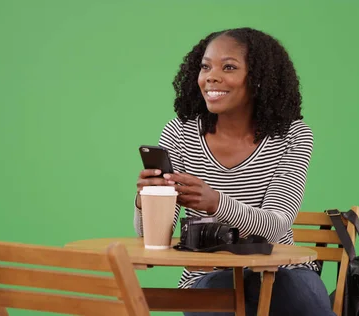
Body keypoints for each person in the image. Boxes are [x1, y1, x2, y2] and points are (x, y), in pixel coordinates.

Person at [133, 27, 335, 316]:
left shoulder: (293, 136)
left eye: (228, 67)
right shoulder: (180, 132)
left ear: (258, 80)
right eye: (205, 67)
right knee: (218, 292)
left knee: (288, 289)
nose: (211, 77)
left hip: (282, 276)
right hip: (208, 279)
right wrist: (146, 200)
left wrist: (215, 202)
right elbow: (150, 238)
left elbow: (277, 228)